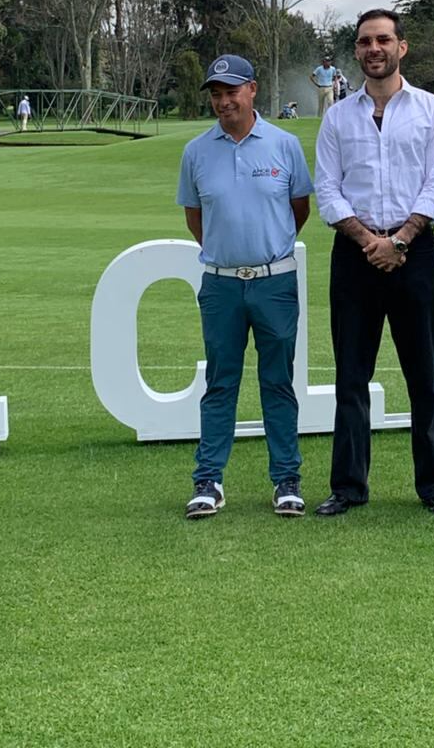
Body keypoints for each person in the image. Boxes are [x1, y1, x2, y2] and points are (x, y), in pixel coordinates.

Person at [313, 8, 434, 518]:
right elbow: (327, 189)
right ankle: (349, 486)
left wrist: (399, 240)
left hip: (413, 253)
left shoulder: (431, 110)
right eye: (364, 42)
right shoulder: (337, 116)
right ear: (356, 51)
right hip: (354, 257)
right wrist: (368, 240)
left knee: (425, 374)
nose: (373, 49)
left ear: (402, 47)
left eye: (383, 40)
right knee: (351, 375)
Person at [177, 54, 314, 520]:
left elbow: (299, 211)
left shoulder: (284, 144)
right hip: (221, 286)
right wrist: (231, 254)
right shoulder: (196, 151)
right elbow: (197, 219)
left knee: (277, 383)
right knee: (220, 383)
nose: (223, 101)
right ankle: (208, 480)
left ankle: (286, 479)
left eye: (231, 91)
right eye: (215, 93)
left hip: (274, 283)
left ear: (252, 90)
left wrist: (263, 251)